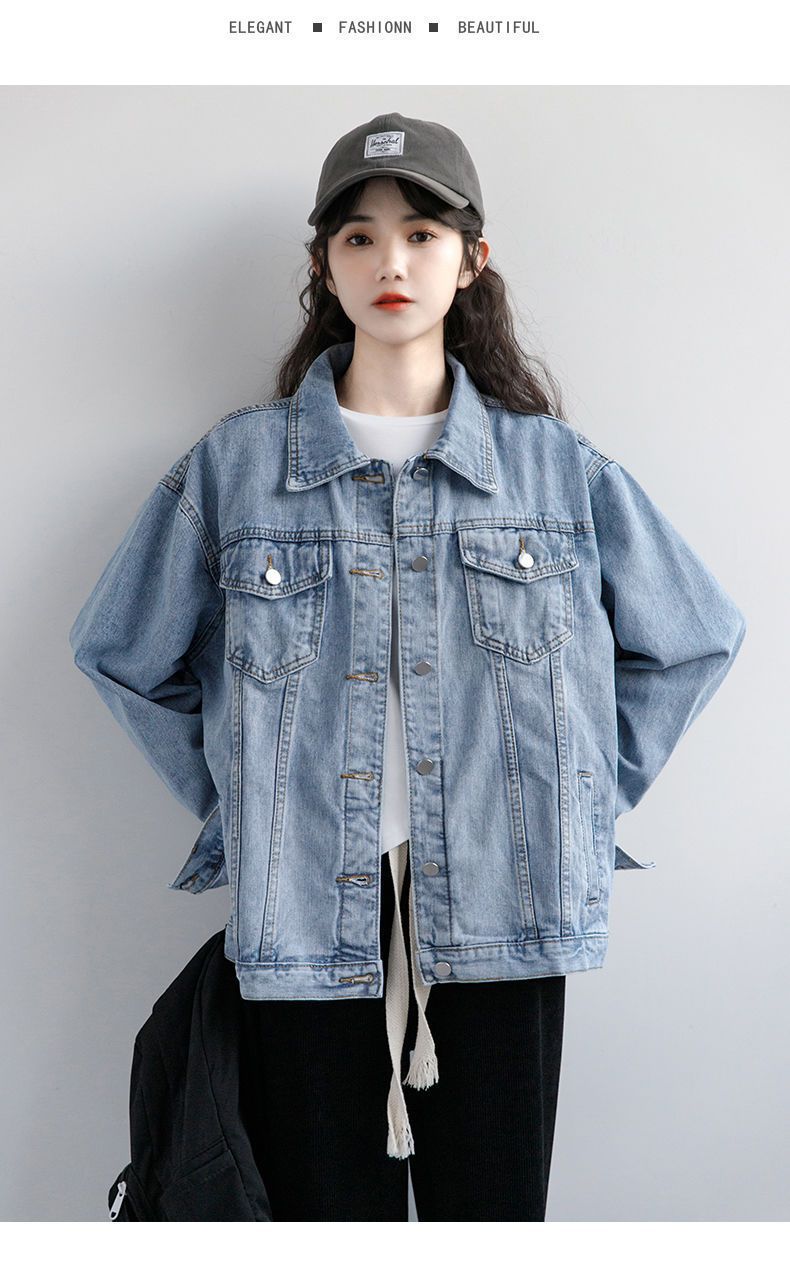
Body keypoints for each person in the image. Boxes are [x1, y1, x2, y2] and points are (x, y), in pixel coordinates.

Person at [69, 111, 747, 1221]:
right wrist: (243, 801)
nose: (391, 261)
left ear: (471, 260)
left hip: (507, 902)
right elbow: (118, 650)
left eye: (422, 233)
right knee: (328, 1223)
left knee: (493, 1222)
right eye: (359, 236)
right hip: (303, 913)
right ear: (322, 265)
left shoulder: (553, 470)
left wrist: (578, 798)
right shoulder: (238, 469)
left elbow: (694, 635)